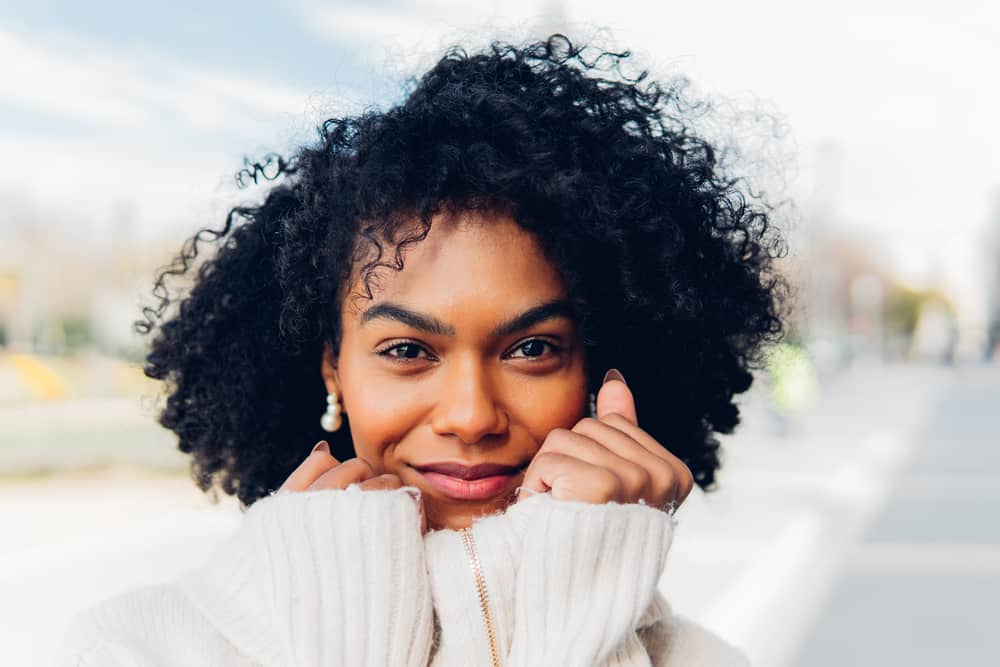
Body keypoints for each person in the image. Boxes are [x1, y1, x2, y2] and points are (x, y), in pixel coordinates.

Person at [57, 34, 785, 666]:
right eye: (407, 349)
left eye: (532, 347)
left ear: (595, 372)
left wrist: (581, 613)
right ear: (331, 366)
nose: (471, 417)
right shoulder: (136, 650)